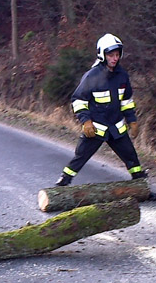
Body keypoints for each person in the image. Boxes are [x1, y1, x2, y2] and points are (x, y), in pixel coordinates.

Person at [55, 33, 146, 186]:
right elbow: (78, 100)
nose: (115, 58)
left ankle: (141, 184)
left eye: (117, 54)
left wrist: (132, 120)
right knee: (81, 156)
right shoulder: (91, 76)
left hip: (116, 127)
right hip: (96, 127)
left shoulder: (122, 76)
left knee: (131, 156)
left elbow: (127, 101)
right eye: (111, 55)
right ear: (102, 54)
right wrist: (86, 121)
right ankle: (64, 180)